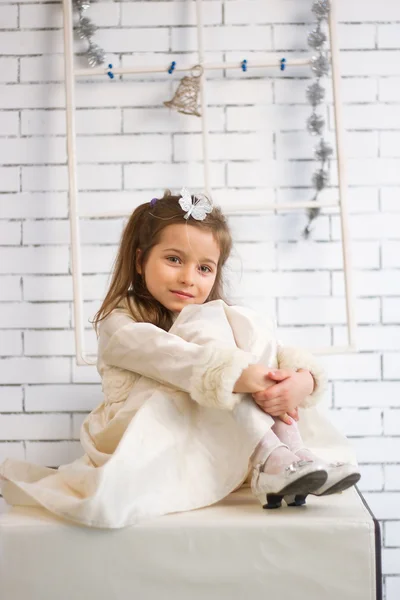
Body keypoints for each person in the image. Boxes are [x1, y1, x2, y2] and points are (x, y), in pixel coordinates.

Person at [0, 189, 360, 528]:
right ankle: (271, 454)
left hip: (198, 434)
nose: (189, 278)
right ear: (140, 261)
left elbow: (270, 352)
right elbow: (173, 357)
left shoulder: (219, 319)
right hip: (138, 438)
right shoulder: (119, 322)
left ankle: (289, 452)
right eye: (174, 260)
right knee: (210, 325)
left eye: (205, 268)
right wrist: (238, 374)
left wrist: (301, 380)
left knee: (247, 319)